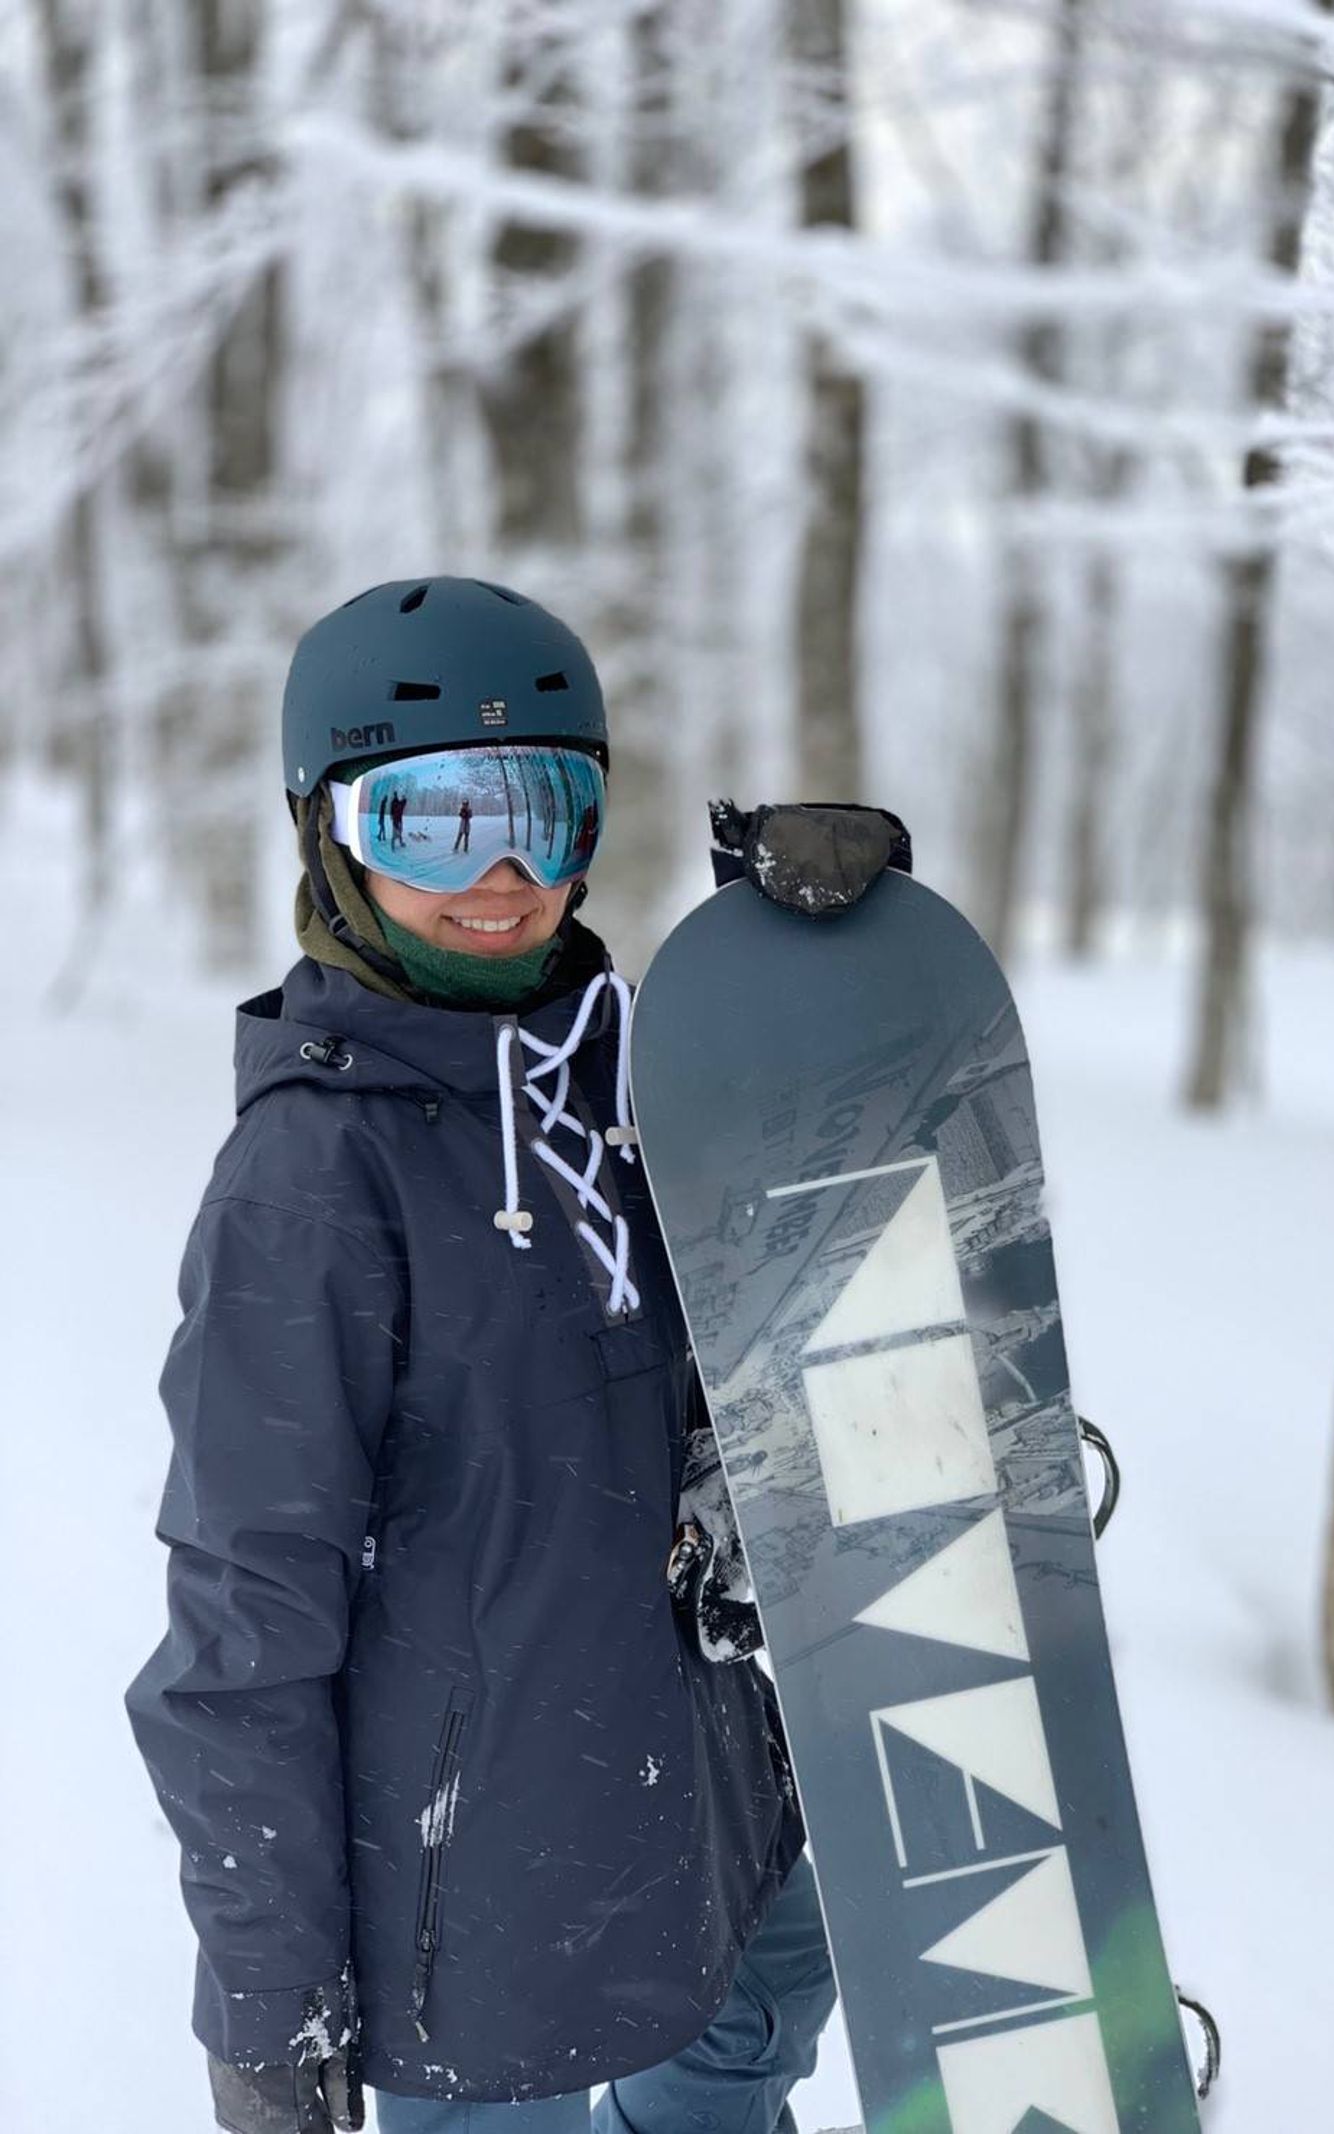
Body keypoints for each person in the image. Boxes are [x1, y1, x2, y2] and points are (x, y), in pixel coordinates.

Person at [126, 577, 836, 2134]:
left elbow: (748, 1349)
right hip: (467, 1902)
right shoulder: (309, 1181)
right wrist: (264, 2000)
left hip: (695, 1806)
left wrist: (826, 983)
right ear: (331, 836)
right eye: (436, 825)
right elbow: (244, 1622)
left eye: (547, 809)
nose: (506, 877)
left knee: (753, 2033)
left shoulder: (648, 1079)